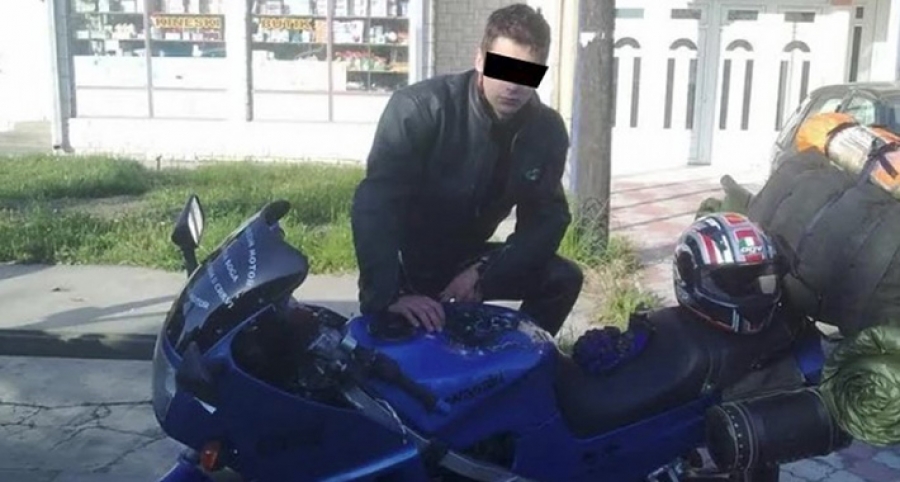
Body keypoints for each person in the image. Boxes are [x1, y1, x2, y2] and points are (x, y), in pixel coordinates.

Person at [350, 3, 583, 337]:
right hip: (404, 262)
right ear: (480, 60)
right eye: (503, 68)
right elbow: (375, 205)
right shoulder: (420, 108)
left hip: (469, 258)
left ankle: (517, 355)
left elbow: (547, 218)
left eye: (527, 73)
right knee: (398, 345)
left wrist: (484, 272)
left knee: (563, 278)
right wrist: (389, 294)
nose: (513, 85)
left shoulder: (547, 130)